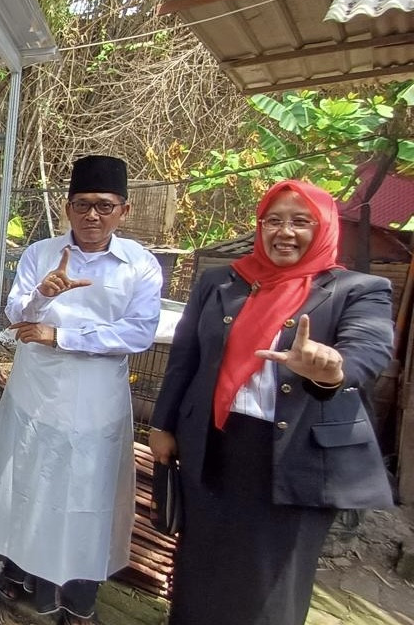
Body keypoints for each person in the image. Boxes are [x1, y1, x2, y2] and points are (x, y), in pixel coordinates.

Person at [148, 180, 393, 625]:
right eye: (273, 220)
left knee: (270, 582)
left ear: (323, 228)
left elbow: (369, 351)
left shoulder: (358, 290)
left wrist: (331, 369)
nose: (285, 231)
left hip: (297, 455)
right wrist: (162, 424)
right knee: (201, 566)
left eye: (301, 221)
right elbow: (186, 354)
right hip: (215, 444)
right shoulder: (222, 281)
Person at [0, 155, 162, 625]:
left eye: (104, 206)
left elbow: (138, 334)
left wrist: (63, 335)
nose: (92, 215)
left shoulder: (139, 265)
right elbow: (18, 314)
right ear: (67, 207)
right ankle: (17, 572)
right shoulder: (41, 253)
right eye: (82, 205)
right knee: (28, 482)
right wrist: (44, 295)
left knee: (88, 494)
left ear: (124, 210)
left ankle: (78, 598)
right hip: (37, 392)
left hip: (96, 400)